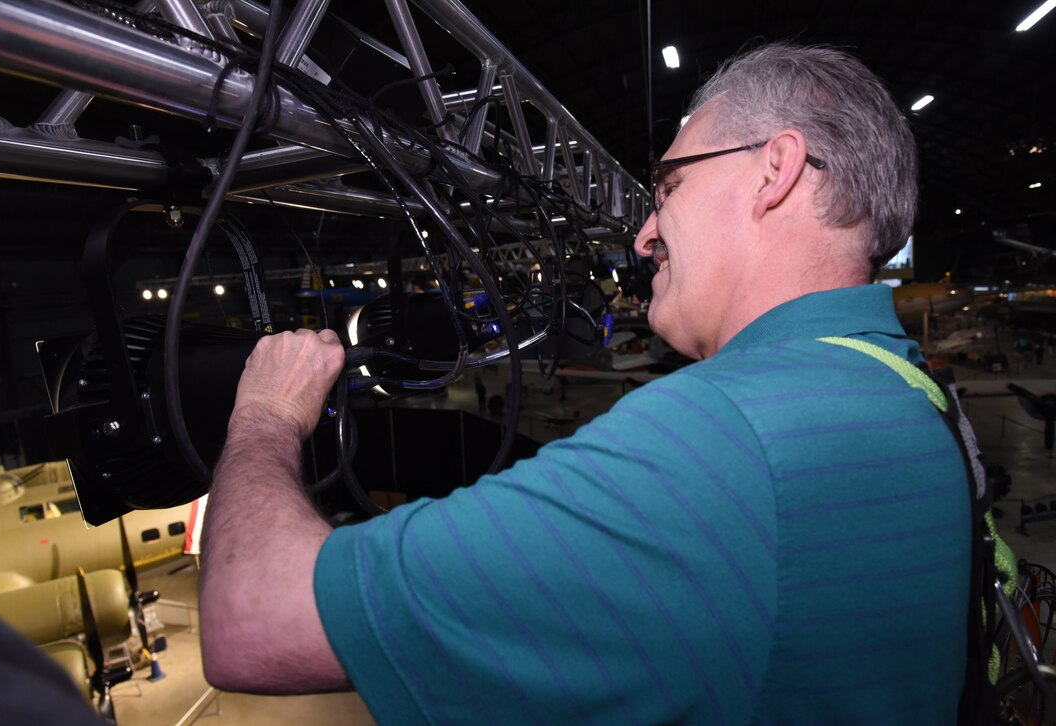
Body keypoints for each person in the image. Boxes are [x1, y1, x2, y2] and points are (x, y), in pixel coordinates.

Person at [199, 43, 971, 723]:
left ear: (776, 170)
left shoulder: (719, 440)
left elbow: (254, 618)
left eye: (668, 185)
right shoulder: (905, 387)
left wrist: (267, 410)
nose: (643, 232)